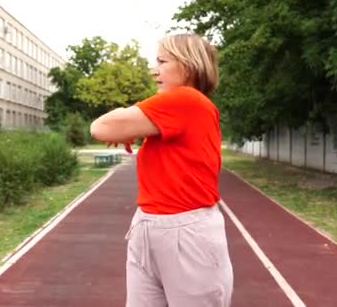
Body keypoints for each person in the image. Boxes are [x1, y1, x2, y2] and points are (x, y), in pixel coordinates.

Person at [90, 33, 233, 307]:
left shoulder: (185, 99)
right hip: (150, 224)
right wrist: (132, 126)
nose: (154, 69)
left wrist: (125, 120)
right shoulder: (178, 108)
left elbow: (99, 127)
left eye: (162, 61)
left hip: (184, 231)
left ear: (189, 65)